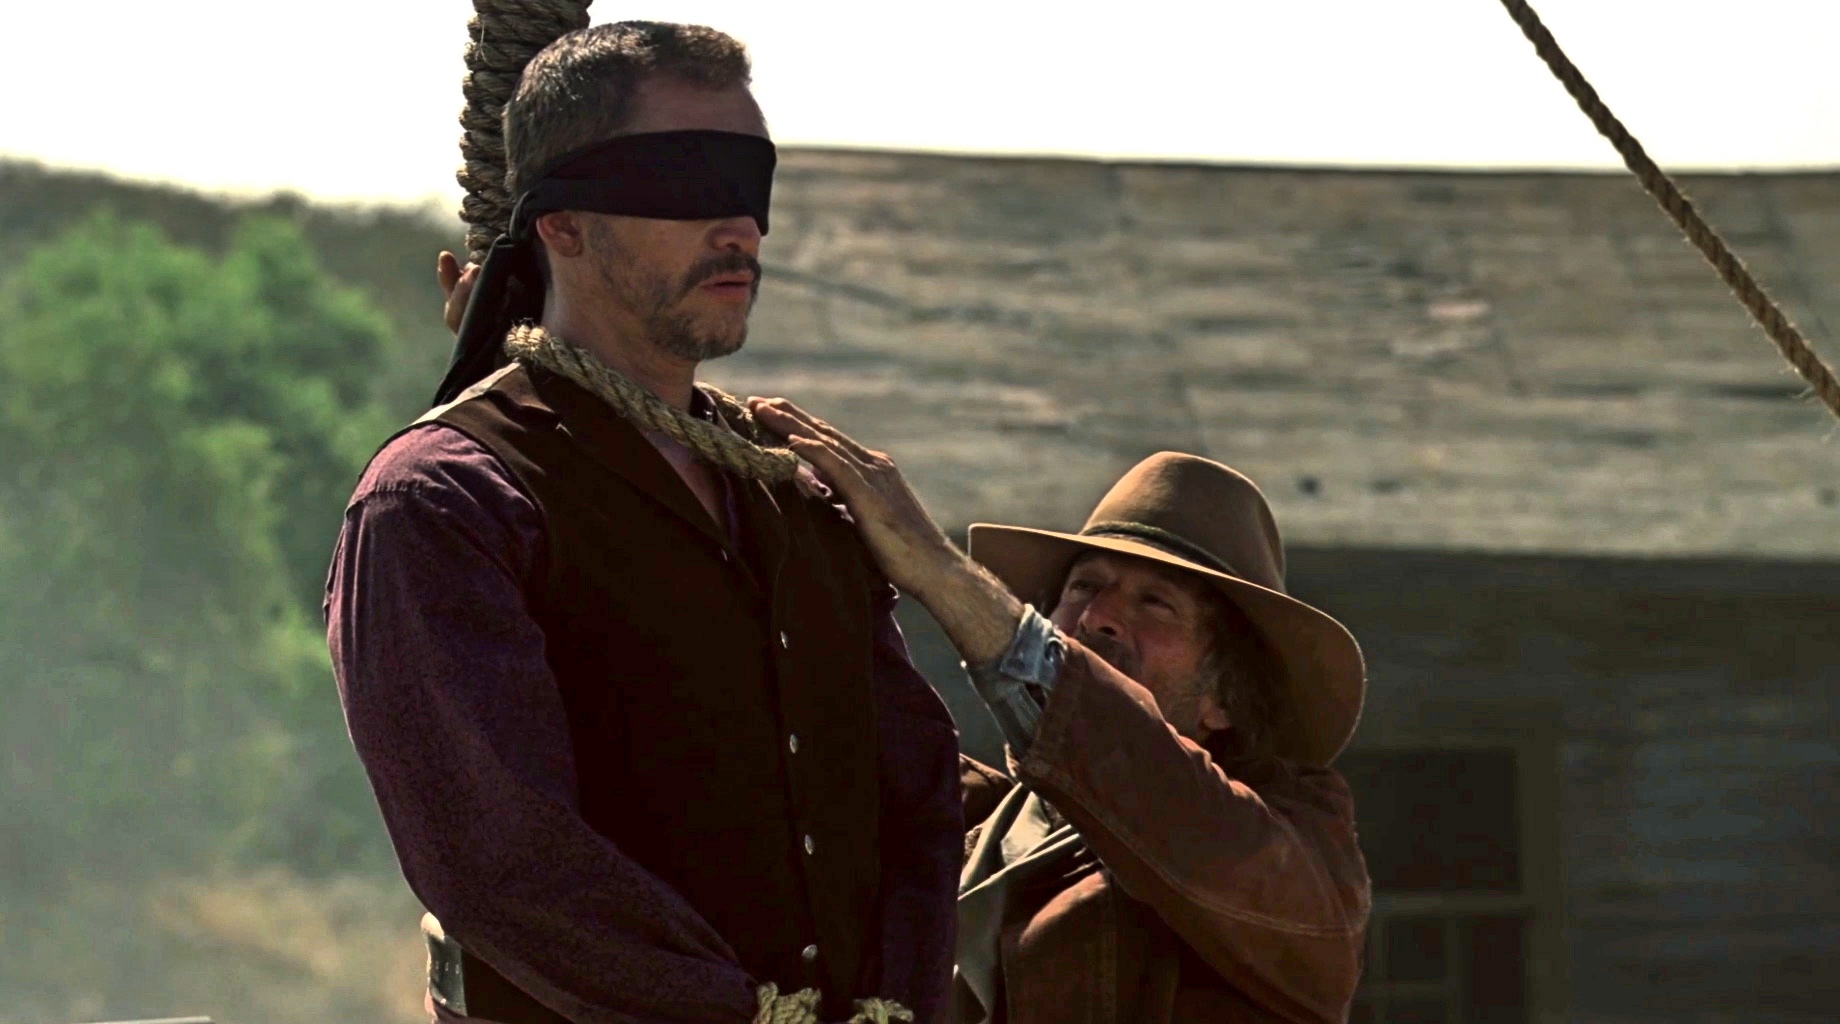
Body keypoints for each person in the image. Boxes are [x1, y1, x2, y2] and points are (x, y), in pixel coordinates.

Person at [325, 22, 961, 1024]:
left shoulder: (796, 490)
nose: (738, 228)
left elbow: (916, 795)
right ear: (563, 223)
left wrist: (899, 1007)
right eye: (685, 180)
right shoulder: (445, 503)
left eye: (749, 185)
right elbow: (505, 867)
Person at [745, 398, 1373, 1023]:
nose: (1098, 616)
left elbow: (1175, 803)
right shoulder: (962, 821)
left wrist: (940, 571)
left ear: (1226, 700)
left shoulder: (1298, 855)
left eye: (1155, 602)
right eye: (1085, 586)